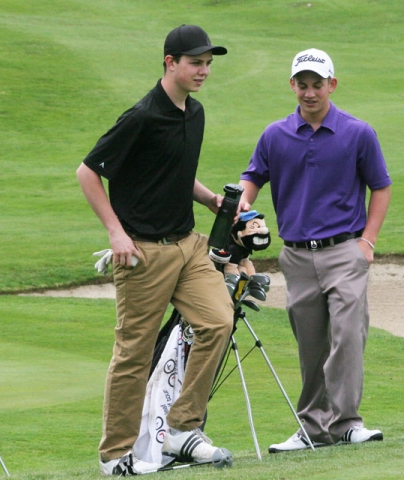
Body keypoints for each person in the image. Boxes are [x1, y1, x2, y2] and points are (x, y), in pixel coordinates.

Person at [76, 24, 235, 475]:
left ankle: (182, 429)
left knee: (218, 322)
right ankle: (115, 456)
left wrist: (208, 199)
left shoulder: (195, 112)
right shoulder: (142, 116)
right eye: (195, 63)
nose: (204, 70)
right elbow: (88, 173)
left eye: (208, 63)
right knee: (134, 353)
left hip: (188, 244)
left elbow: (172, 170)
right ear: (170, 63)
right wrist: (115, 232)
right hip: (142, 253)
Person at [239, 48, 391, 452]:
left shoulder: (358, 132)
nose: (310, 92)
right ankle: (313, 429)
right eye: (302, 85)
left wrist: (368, 242)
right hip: (296, 256)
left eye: (317, 85)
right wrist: (244, 204)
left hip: (345, 250)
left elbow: (381, 185)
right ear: (293, 86)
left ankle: (346, 423)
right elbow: (253, 175)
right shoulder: (275, 135)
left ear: (332, 85)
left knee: (347, 335)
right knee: (310, 345)